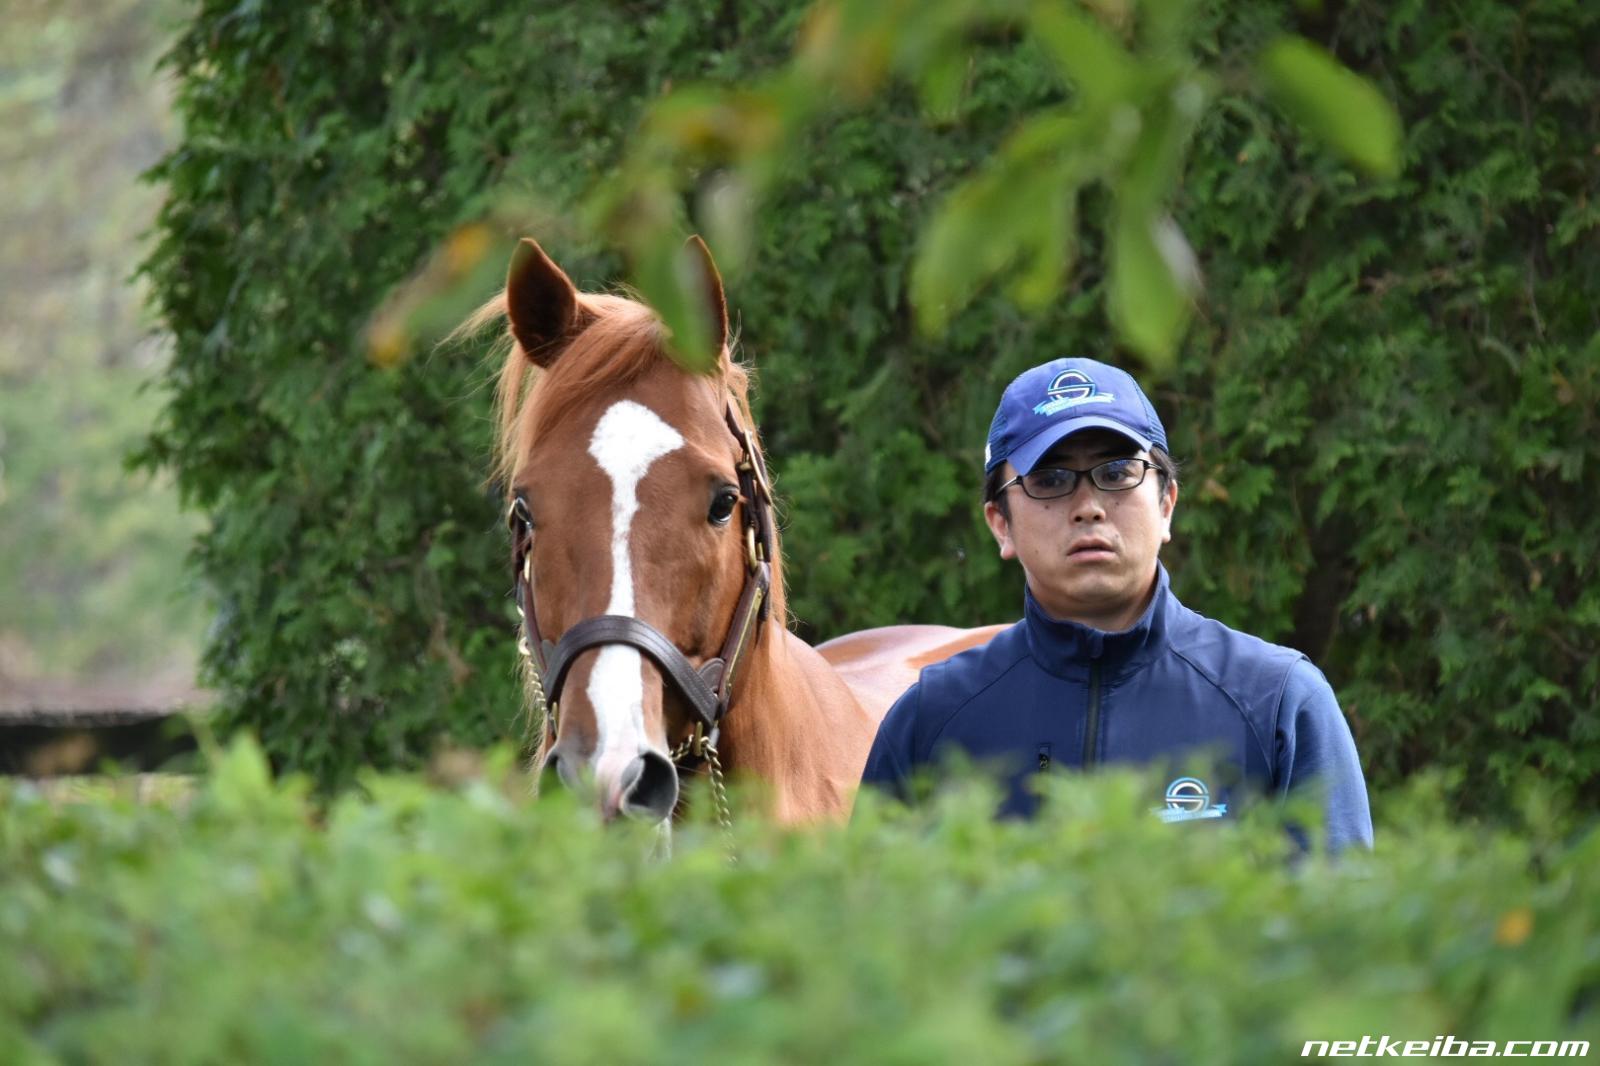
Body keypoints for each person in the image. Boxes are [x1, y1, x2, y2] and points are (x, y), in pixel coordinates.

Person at [860, 357, 1373, 851]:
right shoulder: (932, 720)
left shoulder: (1277, 702)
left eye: (1118, 471)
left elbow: (1339, 905)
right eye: (1050, 480)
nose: (1088, 507)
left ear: (1166, 504)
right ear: (1000, 524)